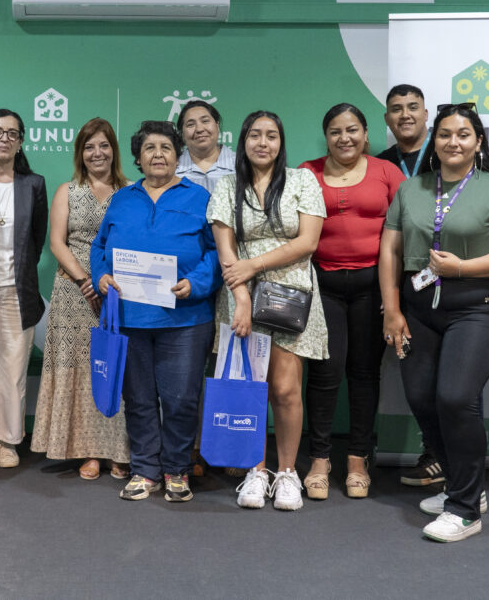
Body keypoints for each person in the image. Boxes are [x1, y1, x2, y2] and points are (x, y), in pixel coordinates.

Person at [379, 104, 489, 542]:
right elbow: (390, 252)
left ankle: (465, 509)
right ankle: (464, 485)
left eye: (464, 134)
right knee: (421, 396)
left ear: (479, 142)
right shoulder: (412, 190)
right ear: (435, 139)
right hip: (419, 308)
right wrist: (392, 308)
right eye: (445, 134)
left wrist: (462, 269)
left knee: (455, 396)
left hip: (480, 305)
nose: (453, 142)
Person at [91, 120, 219, 503]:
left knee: (181, 398)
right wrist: (101, 276)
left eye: (165, 147)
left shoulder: (199, 198)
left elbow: (216, 252)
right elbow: (99, 247)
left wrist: (195, 283)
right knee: (139, 397)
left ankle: (177, 470)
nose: (158, 154)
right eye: (149, 148)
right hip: (129, 317)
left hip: (185, 318)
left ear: (178, 156)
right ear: (138, 157)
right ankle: (145, 470)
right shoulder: (122, 199)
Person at [207, 111, 328, 511]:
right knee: (251, 388)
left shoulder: (302, 180)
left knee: (285, 389)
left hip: (290, 297)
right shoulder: (227, 186)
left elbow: (308, 242)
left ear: (281, 141)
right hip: (239, 295)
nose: (263, 143)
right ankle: (255, 472)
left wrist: (255, 266)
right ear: (242, 141)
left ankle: (288, 473)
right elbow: (226, 250)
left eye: (272, 136)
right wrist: (241, 298)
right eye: (255, 135)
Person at [298, 103, 404, 500]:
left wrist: (396, 297)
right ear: (326, 137)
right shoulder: (307, 172)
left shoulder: (386, 172)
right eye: (336, 132)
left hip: (372, 286)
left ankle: (358, 459)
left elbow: (403, 232)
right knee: (325, 375)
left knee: (364, 374)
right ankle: (320, 460)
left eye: (353, 130)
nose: (345, 138)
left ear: (365, 133)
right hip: (323, 285)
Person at [31, 118, 131, 480]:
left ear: (113, 150)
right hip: (74, 294)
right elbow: (57, 242)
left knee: (116, 370)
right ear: (80, 153)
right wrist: (86, 279)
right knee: (83, 372)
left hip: (119, 293)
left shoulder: (131, 192)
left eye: (103, 145)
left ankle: (119, 450)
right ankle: (87, 451)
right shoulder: (67, 191)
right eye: (89, 147)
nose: (97, 153)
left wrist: (107, 283)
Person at [0, 109, 48, 469]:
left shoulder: (34, 184)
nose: (4, 138)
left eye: (12, 133)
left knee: (14, 368)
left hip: (19, 289)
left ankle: (8, 439)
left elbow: (37, 238)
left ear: (20, 142)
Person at [377, 84, 446, 488]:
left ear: (426, 116)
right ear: (387, 120)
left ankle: (445, 455)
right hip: (396, 280)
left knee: (451, 380)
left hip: (448, 275)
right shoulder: (378, 163)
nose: (405, 115)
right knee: (416, 379)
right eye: (396, 109)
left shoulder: (447, 157)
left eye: (413, 108)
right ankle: (434, 450)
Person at [175, 99, 236, 193]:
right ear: (182, 134)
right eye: (190, 125)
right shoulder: (173, 168)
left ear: (217, 126)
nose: (199, 129)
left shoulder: (240, 164)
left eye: (205, 121)